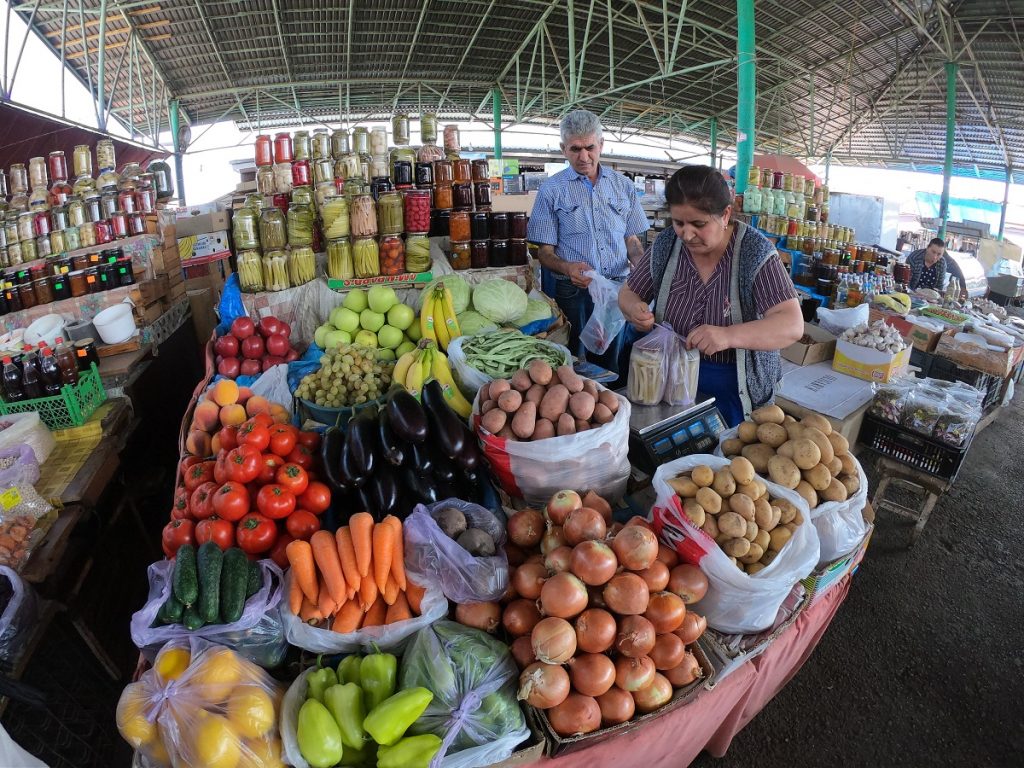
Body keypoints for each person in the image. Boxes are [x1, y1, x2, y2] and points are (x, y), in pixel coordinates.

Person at [618, 165, 803, 426]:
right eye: (678, 222)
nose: (686, 234)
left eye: (699, 224)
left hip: (734, 393)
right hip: (668, 385)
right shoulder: (667, 244)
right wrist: (635, 308)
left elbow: (791, 325)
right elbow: (629, 293)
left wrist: (728, 336)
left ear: (725, 214)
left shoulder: (754, 252)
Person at [527, 109, 649, 379]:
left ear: (601, 144)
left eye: (590, 147)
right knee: (573, 361)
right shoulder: (551, 190)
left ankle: (613, 410)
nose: (584, 157)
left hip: (617, 288)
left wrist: (642, 267)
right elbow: (544, 252)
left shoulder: (623, 186)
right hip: (573, 291)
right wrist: (568, 267)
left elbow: (632, 239)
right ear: (563, 149)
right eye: (575, 149)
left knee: (611, 359)